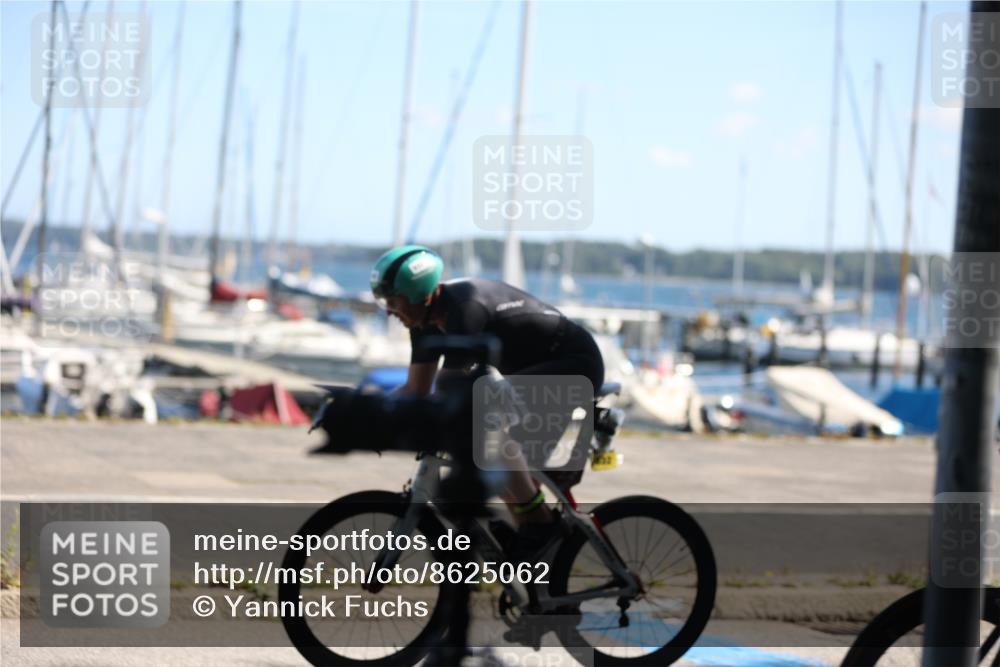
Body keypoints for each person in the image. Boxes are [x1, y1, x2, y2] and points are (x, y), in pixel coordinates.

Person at [370, 244, 605, 558]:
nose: (388, 310)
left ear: (419, 294)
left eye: (392, 301)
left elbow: (447, 388)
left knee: (484, 419)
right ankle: (542, 586)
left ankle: (541, 526)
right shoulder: (422, 323)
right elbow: (415, 390)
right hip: (527, 373)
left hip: (574, 363)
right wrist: (369, 413)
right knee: (495, 462)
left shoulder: (465, 309)